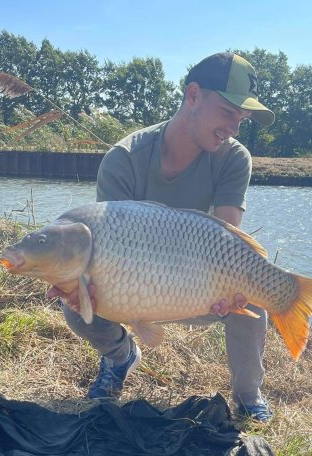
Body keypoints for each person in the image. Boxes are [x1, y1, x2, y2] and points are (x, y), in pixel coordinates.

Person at [48, 52, 276, 422]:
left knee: (253, 293)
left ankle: (249, 395)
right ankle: (121, 357)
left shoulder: (234, 158)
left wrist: (227, 290)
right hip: (134, 286)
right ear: (193, 95)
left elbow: (230, 238)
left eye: (242, 118)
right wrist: (80, 283)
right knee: (75, 304)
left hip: (199, 287)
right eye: (228, 112)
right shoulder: (124, 158)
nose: (233, 128)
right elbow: (106, 248)